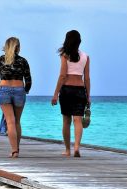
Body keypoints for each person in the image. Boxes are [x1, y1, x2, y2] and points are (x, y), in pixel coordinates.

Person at [51, 30, 91, 158]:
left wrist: (55, 94)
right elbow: (87, 78)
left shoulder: (65, 55)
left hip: (67, 90)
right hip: (80, 90)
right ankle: (77, 147)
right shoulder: (85, 56)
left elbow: (62, 75)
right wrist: (88, 96)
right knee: (78, 120)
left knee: (66, 121)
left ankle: (68, 150)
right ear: (79, 41)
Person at [0, 37, 32, 158]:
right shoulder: (23, 61)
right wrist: (26, 90)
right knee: (17, 122)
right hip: (19, 90)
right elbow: (28, 79)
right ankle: (17, 149)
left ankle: (14, 150)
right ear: (18, 48)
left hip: (4, 90)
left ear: (6, 47)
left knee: (10, 121)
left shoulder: (0, 60)